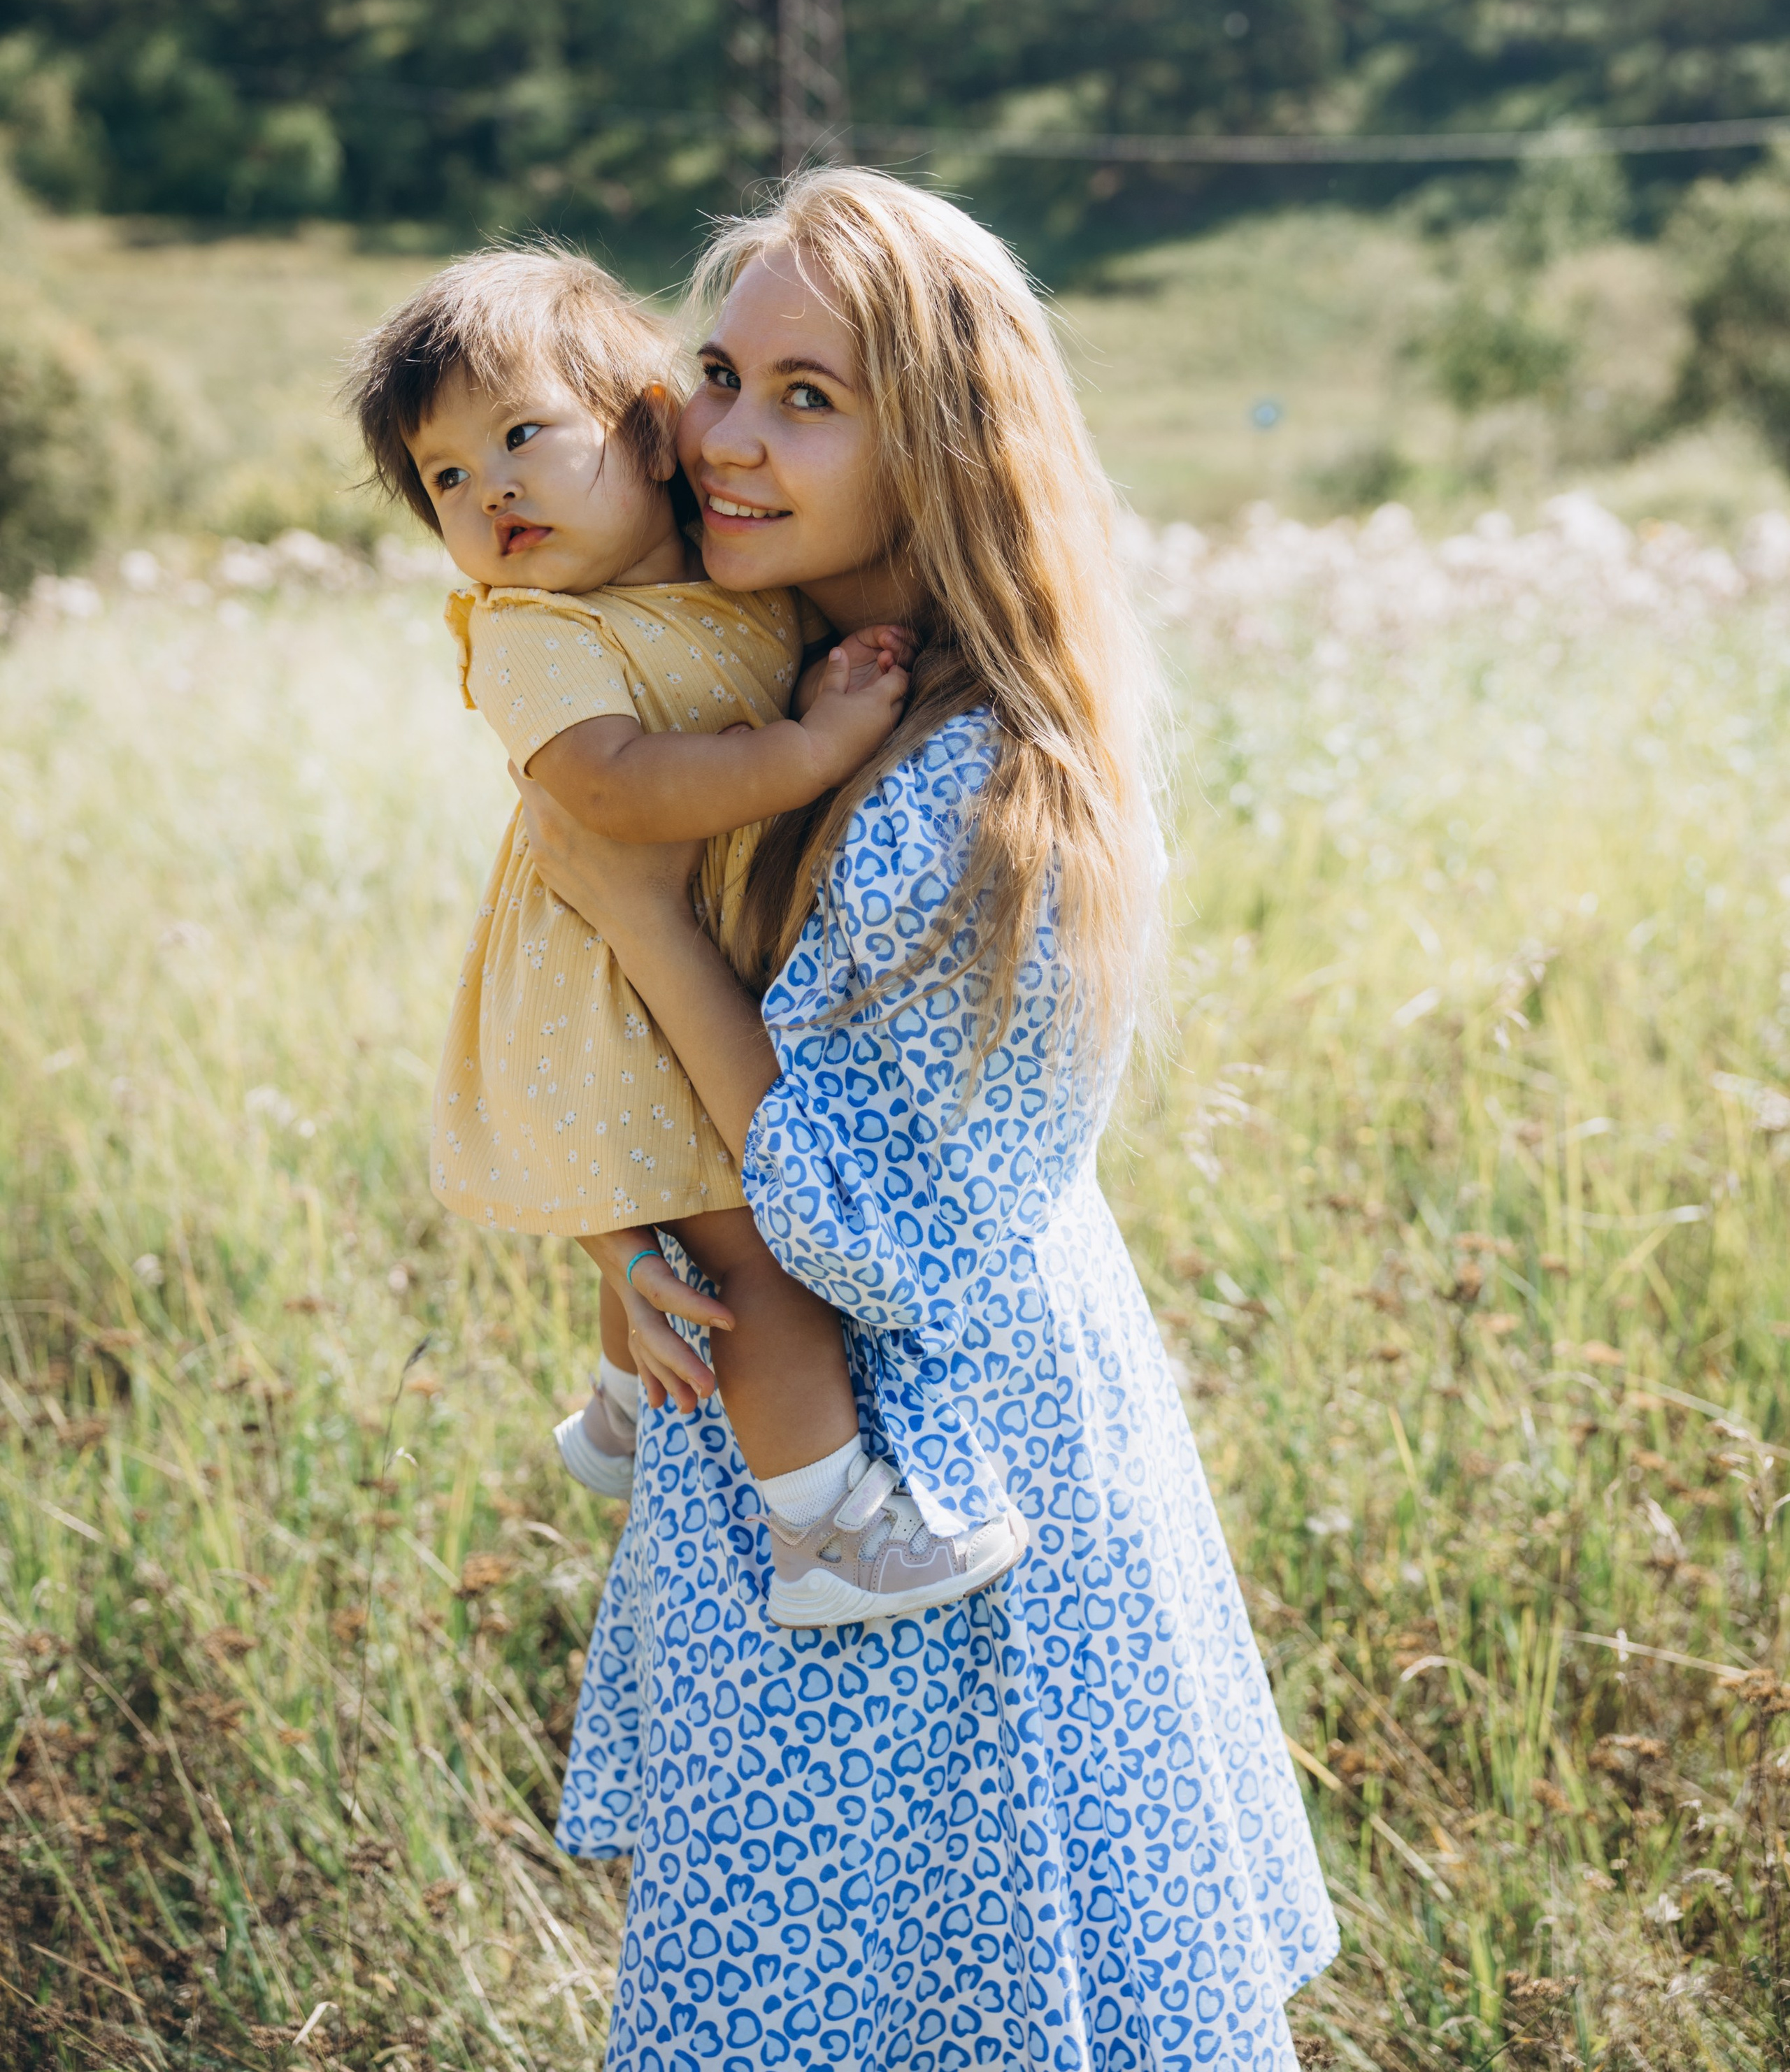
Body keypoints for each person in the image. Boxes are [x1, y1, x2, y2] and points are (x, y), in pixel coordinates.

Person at [518, 171, 1339, 2070]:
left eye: (812, 396)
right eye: (720, 374)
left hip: (944, 1510)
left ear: (948, 441)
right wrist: (626, 1258)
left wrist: (644, 917)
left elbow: (867, 1228)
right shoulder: (798, 706)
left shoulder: (985, 791)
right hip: (828, 1484)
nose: (719, 434)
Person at [348, 245, 1027, 1625]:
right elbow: (613, 791)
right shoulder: (532, 630)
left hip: (675, 983)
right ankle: (827, 1530)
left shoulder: (736, 586)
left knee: (686, 1232)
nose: (494, 494)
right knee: (751, 1268)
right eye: (449, 481)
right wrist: (807, 743)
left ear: (648, 430)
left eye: (522, 438)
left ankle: (614, 1404)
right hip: (617, 996)